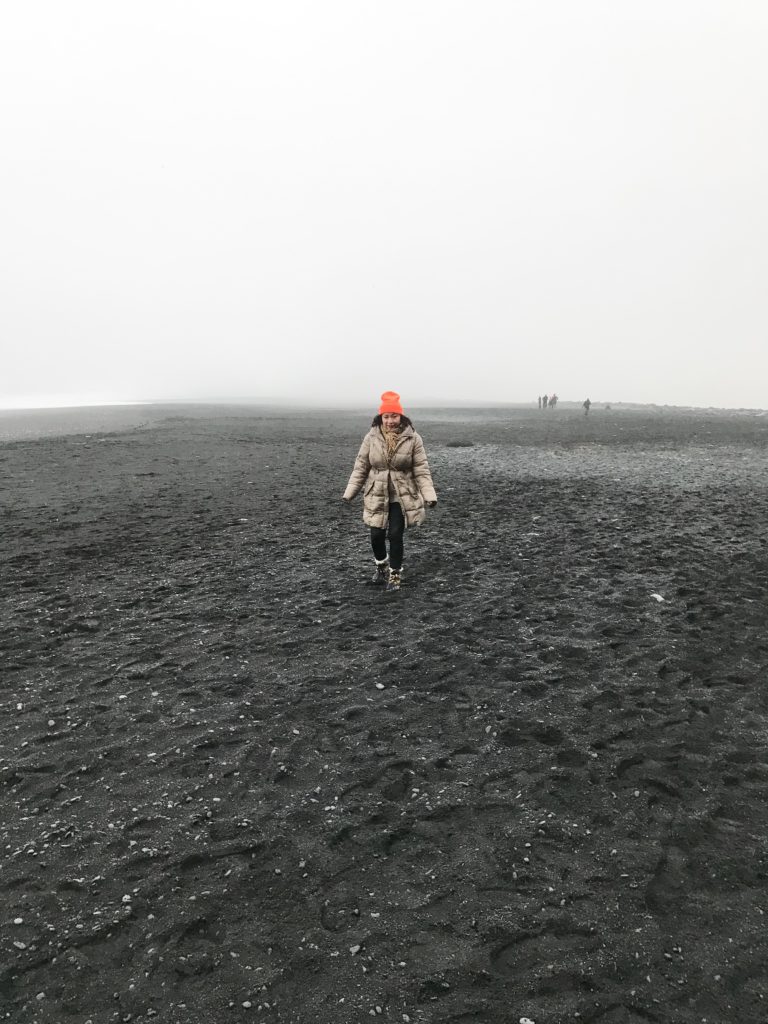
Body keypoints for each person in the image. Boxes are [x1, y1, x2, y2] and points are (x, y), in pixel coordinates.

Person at [342, 391, 437, 592]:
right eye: (386, 416)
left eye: (394, 416)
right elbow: (361, 466)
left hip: (401, 496)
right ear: (381, 417)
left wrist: (429, 495)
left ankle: (395, 575)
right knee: (376, 536)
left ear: (401, 416)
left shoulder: (413, 438)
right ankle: (381, 566)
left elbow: (421, 468)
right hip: (377, 493)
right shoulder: (371, 437)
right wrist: (350, 492)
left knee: (395, 535)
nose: (390, 421)